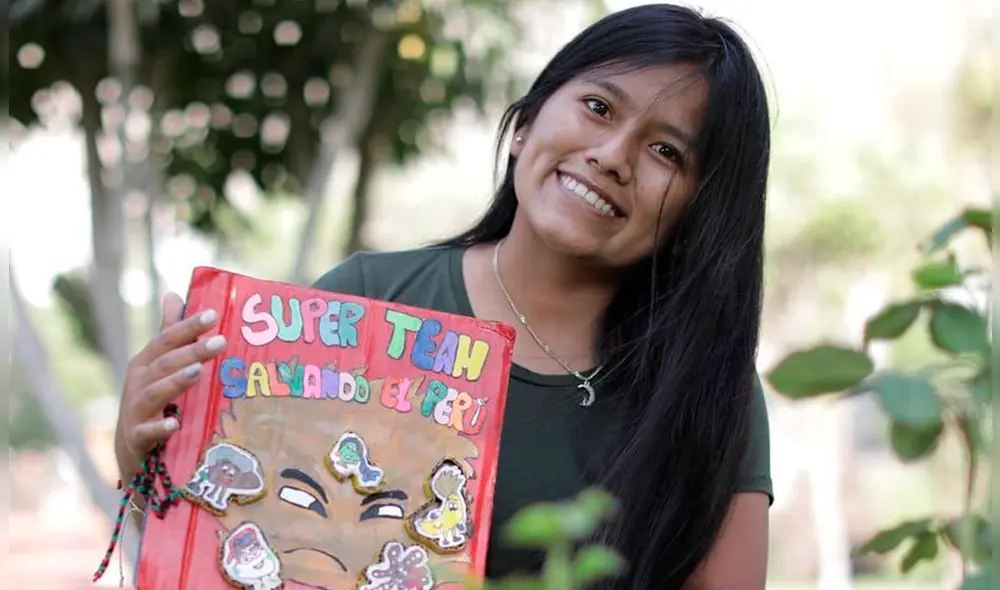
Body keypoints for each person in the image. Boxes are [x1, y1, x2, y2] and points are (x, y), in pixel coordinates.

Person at [114, 3, 773, 588]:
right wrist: (141, 454)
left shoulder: (709, 390)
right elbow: (231, 556)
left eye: (665, 151)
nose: (612, 154)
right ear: (526, 125)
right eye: (598, 108)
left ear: (699, 210)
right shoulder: (366, 302)